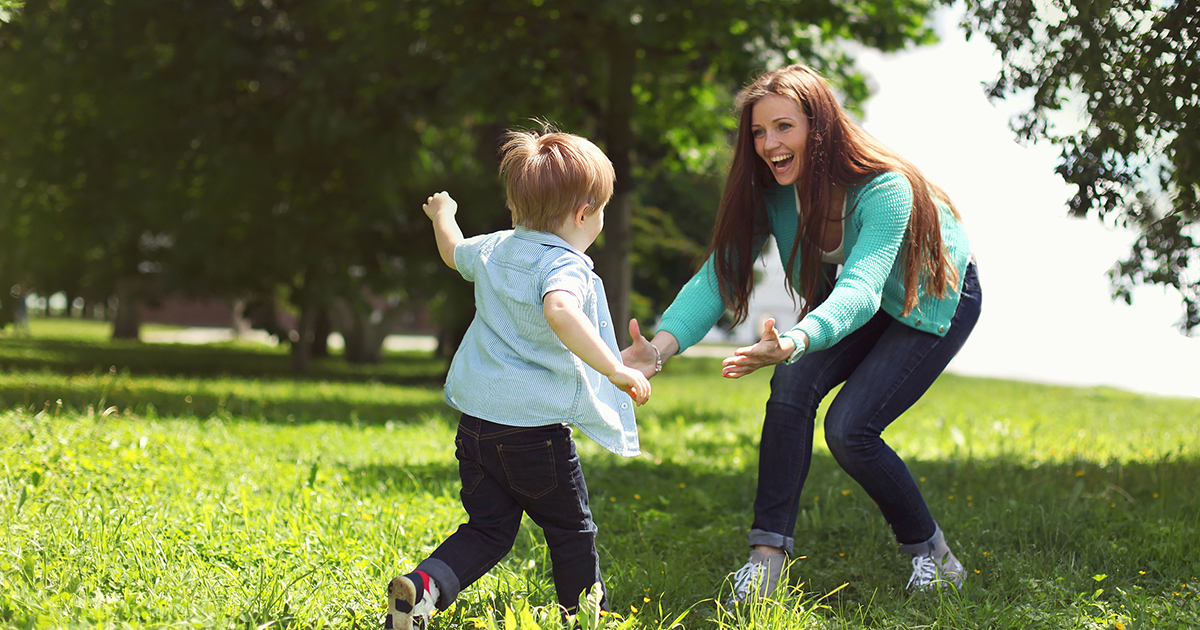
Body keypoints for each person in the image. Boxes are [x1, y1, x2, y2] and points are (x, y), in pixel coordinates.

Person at [622, 64, 982, 599]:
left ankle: (933, 553)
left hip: (930, 294)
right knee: (791, 384)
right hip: (852, 300)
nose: (769, 143)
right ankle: (766, 560)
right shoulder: (772, 192)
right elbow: (722, 272)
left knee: (850, 430)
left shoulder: (885, 188)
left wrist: (796, 339)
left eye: (784, 127)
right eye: (759, 133)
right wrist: (659, 348)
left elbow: (861, 286)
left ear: (821, 126)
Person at [386, 129, 651, 630]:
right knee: (572, 531)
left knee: (488, 529)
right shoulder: (563, 265)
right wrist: (614, 367)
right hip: (535, 436)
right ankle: (584, 617)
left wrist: (444, 216)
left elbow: (452, 251)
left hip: (477, 428)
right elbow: (559, 309)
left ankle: (424, 587)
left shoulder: (493, 249)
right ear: (583, 214)